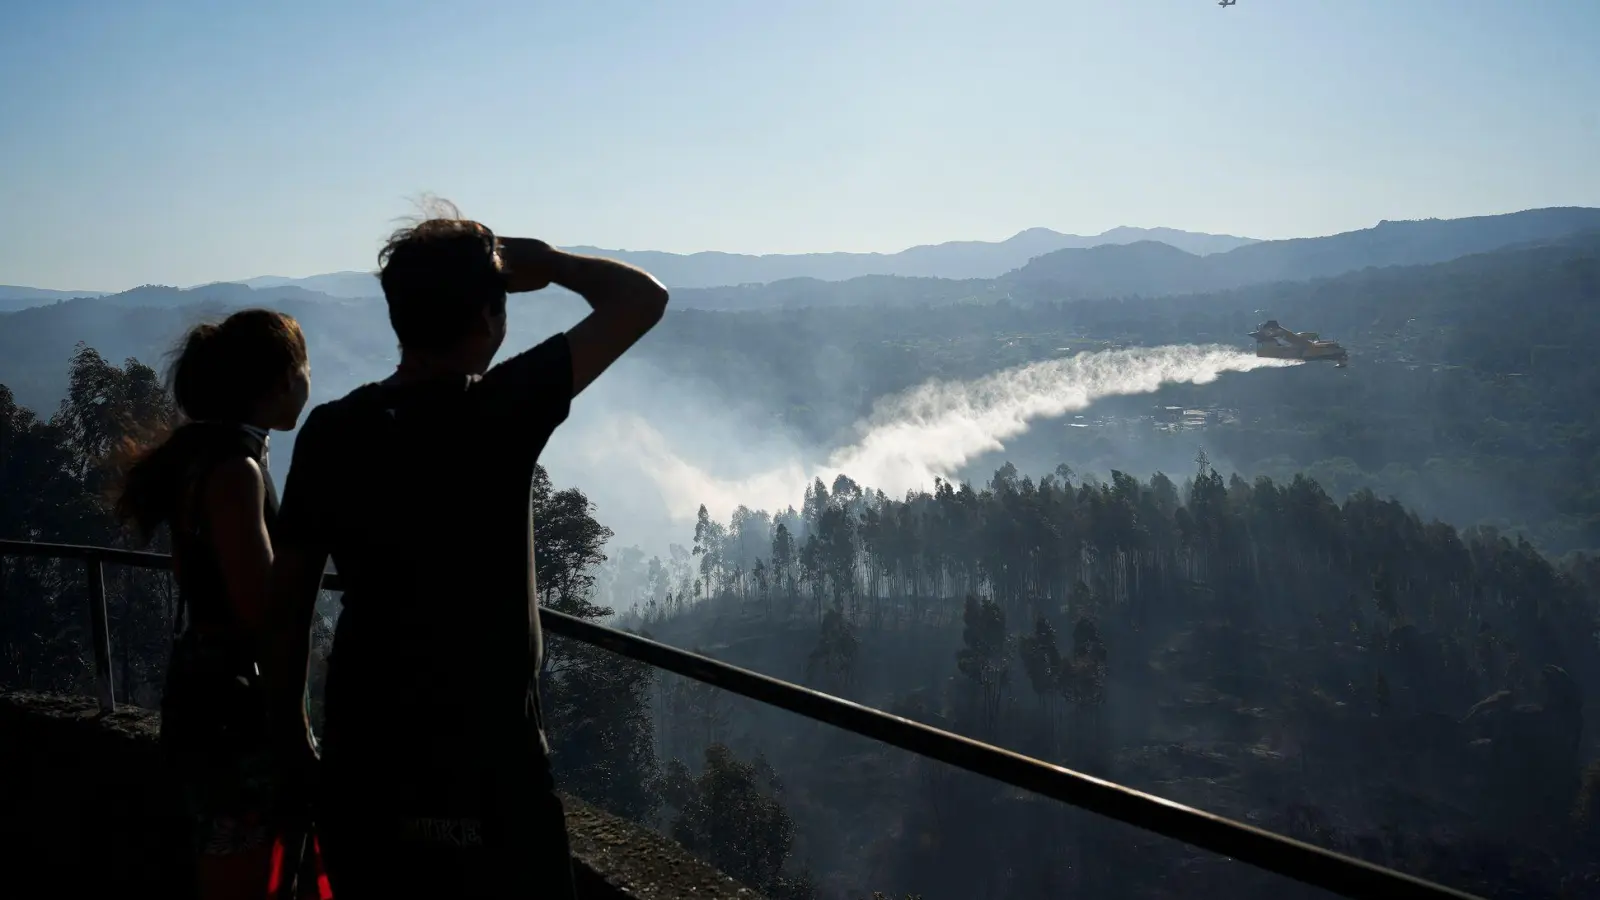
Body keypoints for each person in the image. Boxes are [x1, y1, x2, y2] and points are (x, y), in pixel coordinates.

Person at [265, 204, 668, 899]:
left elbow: (288, 607)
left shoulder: (332, 431)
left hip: (367, 748)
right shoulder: (502, 407)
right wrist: (549, 263)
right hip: (490, 752)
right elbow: (643, 299)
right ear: (487, 316)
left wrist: (293, 736)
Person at [112, 308, 317, 900]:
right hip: (237, 710)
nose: (309, 379)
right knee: (242, 871)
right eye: (305, 367)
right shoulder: (236, 471)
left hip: (205, 694)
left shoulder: (207, 458)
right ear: (283, 380)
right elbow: (261, 610)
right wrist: (297, 733)